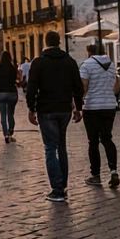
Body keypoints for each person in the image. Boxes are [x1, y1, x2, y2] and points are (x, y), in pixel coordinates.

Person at [25, 31, 83, 202]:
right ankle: (62, 185)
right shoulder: (69, 61)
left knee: (50, 148)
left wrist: (31, 108)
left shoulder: (39, 62)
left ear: (46, 42)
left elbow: (31, 88)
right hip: (65, 109)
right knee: (62, 146)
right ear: (59, 42)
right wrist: (78, 108)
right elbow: (78, 87)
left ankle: (57, 190)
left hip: (46, 110)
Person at [79, 42, 120, 187]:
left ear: (90, 52)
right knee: (107, 139)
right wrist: (108, 94)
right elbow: (117, 85)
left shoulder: (86, 65)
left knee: (93, 141)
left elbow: (84, 86)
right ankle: (113, 171)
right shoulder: (111, 65)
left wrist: (79, 101)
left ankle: (95, 175)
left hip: (92, 106)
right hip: (109, 106)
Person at [0, 51, 20, 143]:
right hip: (12, 92)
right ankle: (10, 132)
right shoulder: (13, 68)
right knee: (10, 114)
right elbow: (15, 79)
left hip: (1, 92)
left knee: (3, 115)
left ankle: (6, 135)